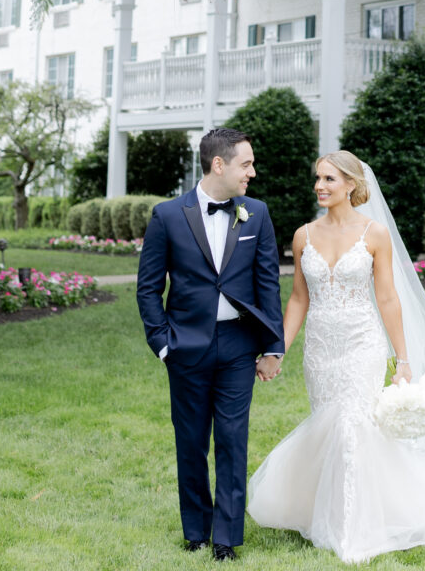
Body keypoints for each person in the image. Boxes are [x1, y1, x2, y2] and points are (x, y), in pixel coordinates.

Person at [247, 150, 425, 564]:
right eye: (318, 179)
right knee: (329, 426)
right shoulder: (304, 235)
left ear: (351, 185)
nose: (320, 186)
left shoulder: (375, 234)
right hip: (321, 349)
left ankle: (350, 529)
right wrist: (277, 352)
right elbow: (298, 301)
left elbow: (388, 298)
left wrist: (403, 360)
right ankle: (323, 509)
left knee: (352, 425)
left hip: (362, 344)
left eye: (329, 179)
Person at [137, 128, 284, 562]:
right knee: (191, 442)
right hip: (186, 347)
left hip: (239, 346)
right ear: (218, 164)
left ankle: (226, 539)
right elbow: (148, 289)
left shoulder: (255, 214)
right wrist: (163, 344)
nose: (252, 173)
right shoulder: (167, 215)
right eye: (246, 164)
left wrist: (272, 346)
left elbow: (267, 284)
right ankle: (196, 530)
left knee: (234, 441)